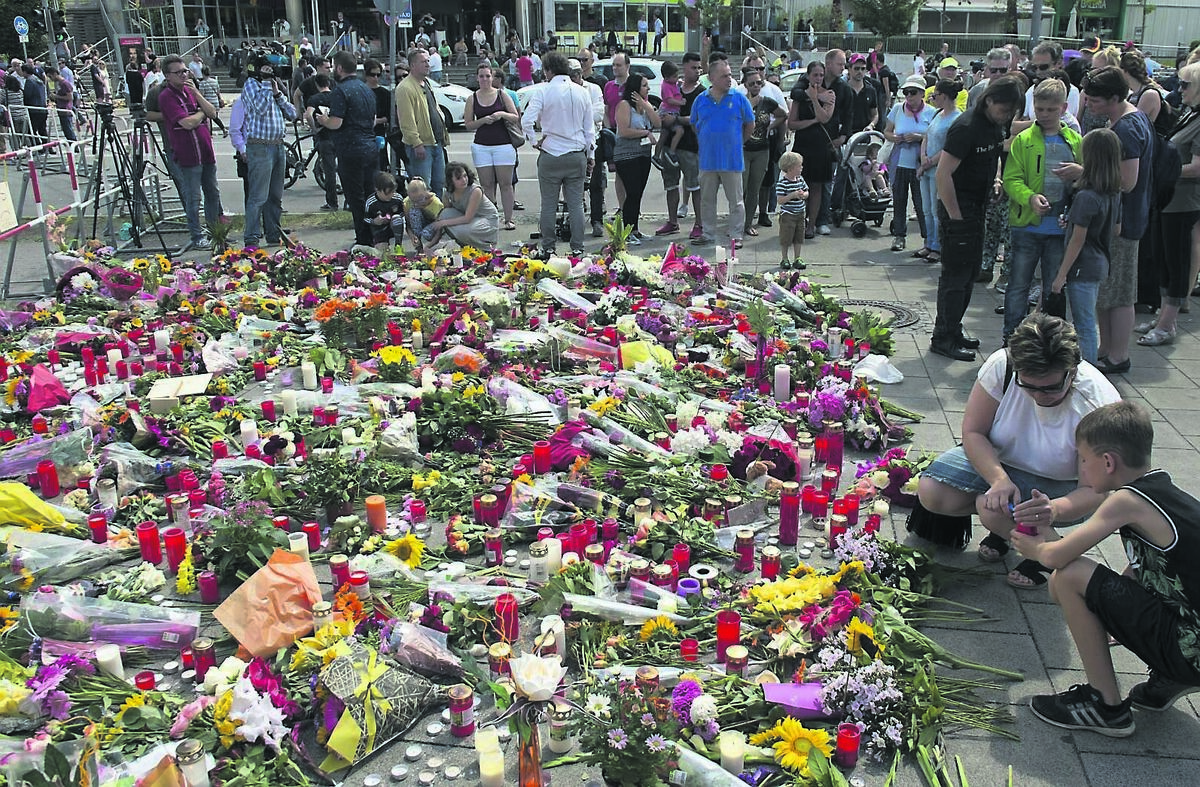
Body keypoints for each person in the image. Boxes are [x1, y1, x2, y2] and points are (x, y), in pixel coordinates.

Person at [1013, 400, 1200, 736]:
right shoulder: (1162, 490)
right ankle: (1170, 675)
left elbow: (1058, 559)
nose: (1081, 470)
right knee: (1095, 580)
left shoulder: (1125, 500)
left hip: (1190, 649)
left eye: (1083, 460)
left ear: (1108, 462)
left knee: (1068, 577)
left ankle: (1107, 707)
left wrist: (1034, 548)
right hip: (1193, 642)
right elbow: (1149, 569)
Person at [919, 312, 1120, 587]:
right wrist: (998, 479)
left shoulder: (1097, 405)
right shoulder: (1002, 366)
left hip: (1061, 486)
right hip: (1002, 461)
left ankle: (1049, 552)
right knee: (933, 492)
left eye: (1050, 388)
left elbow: (1095, 491)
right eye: (1028, 386)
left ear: (1072, 372)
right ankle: (1011, 530)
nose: (1038, 396)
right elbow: (973, 432)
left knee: (989, 507)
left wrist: (1054, 509)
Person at [929, 75, 1023, 361]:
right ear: (990, 100)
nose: (1006, 117)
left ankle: (953, 328)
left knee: (970, 275)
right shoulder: (966, 127)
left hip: (977, 206)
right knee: (955, 277)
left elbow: (994, 156)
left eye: (1011, 113)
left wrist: (995, 180)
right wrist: (956, 218)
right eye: (1003, 110)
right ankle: (942, 337)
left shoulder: (994, 125)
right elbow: (943, 174)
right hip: (958, 207)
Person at [1078, 66, 1154, 375]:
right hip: (1119, 219)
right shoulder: (1129, 119)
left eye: (1095, 100)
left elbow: (1127, 181)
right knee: (1108, 290)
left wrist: (1082, 174)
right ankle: (1107, 349)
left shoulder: (1126, 128)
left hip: (1123, 221)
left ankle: (1119, 354)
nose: (1089, 104)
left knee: (1120, 291)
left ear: (1112, 98)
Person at [1001, 78, 1083, 343]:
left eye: (1051, 109)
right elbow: (1012, 179)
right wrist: (1030, 197)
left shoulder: (1074, 140)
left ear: (1063, 108)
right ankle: (1010, 337)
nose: (1045, 114)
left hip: (1059, 229)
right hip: (1027, 225)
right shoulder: (1023, 140)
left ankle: (1049, 340)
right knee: (1018, 285)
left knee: (1054, 287)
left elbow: (1083, 184)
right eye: (1040, 109)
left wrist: (1080, 174)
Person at [1136, 65, 1200, 346]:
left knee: (1176, 262)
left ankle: (1167, 323)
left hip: (1184, 202)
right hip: (1169, 199)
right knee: (1163, 259)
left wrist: (1164, 170)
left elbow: (1197, 167)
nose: (1179, 88)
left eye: (1185, 84)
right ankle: (1164, 316)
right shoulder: (1190, 114)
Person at [1047, 127, 1122, 363]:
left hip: (1081, 266)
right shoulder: (1114, 192)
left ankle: (1088, 372)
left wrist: (1060, 276)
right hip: (1099, 261)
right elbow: (1117, 229)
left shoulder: (1085, 196)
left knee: (1084, 325)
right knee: (1087, 321)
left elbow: (1077, 240)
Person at [522, 51, 594, 256]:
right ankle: (577, 248)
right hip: (576, 154)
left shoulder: (543, 91)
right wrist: (591, 156)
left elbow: (526, 120)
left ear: (548, 70)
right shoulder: (582, 92)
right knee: (576, 205)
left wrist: (535, 141)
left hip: (551, 153)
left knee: (548, 205)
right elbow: (589, 129)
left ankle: (548, 247)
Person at [157, 54, 223, 250]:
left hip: (205, 151)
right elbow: (187, 123)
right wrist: (201, 114)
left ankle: (215, 233)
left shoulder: (191, 91)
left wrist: (198, 97)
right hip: (187, 155)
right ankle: (197, 236)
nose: (184, 75)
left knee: (213, 193)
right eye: (178, 73)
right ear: (167, 76)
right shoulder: (166, 96)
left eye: (185, 71)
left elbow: (213, 112)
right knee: (193, 198)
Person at [315, 50, 378, 249]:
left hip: (350, 150)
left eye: (334, 66)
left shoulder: (340, 91)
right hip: (370, 147)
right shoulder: (366, 88)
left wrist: (324, 120)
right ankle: (375, 235)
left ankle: (363, 239)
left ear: (340, 68)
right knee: (370, 195)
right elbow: (373, 119)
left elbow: (337, 122)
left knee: (355, 197)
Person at [692, 58, 754, 248]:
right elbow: (695, 124)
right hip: (708, 160)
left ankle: (736, 236)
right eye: (724, 75)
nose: (729, 79)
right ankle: (708, 233)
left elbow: (750, 124)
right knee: (707, 200)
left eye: (730, 75)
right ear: (711, 78)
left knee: (736, 201)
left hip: (732, 160)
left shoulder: (739, 98)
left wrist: (737, 143)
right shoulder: (700, 100)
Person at [239, 53, 298, 248]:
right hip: (259, 146)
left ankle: (274, 232)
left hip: (278, 145)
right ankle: (252, 237)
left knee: (275, 196)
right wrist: (265, 83)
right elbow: (261, 108)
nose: (271, 73)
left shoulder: (272, 86)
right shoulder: (251, 85)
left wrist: (278, 93)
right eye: (267, 69)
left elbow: (292, 113)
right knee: (258, 196)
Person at [465, 63, 520, 231]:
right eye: (481, 76)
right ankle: (491, 218)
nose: (484, 79)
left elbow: (515, 117)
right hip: (482, 146)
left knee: (505, 184)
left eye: (488, 76)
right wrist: (483, 120)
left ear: (493, 77)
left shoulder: (502, 95)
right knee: (487, 185)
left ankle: (509, 219)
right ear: (477, 78)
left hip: (503, 145)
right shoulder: (472, 98)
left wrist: (501, 114)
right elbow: (468, 124)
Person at [655, 52, 704, 239]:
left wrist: (676, 119)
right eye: (693, 67)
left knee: (694, 186)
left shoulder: (701, 93)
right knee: (671, 185)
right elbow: (663, 111)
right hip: (670, 145)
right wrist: (665, 119)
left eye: (699, 68)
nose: (697, 71)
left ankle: (699, 223)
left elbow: (698, 118)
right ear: (684, 67)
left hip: (691, 146)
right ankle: (672, 221)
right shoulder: (672, 86)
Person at [787, 61, 835, 240]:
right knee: (798, 185)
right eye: (815, 75)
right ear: (808, 76)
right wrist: (811, 120)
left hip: (821, 146)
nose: (818, 78)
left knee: (816, 187)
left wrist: (815, 98)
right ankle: (797, 223)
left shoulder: (829, 94)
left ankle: (811, 224)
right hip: (803, 145)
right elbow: (792, 123)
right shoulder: (799, 96)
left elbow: (824, 118)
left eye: (821, 75)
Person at [886, 74, 934, 252]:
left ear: (922, 93)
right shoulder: (898, 108)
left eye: (913, 92)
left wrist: (918, 138)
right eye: (906, 92)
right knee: (899, 200)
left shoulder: (930, 112)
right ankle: (899, 236)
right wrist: (896, 138)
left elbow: (933, 136)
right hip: (899, 162)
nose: (909, 96)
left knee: (921, 202)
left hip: (919, 164)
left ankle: (928, 239)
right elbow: (887, 131)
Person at [916, 79, 961, 263]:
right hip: (926, 167)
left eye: (935, 95)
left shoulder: (957, 118)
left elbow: (949, 148)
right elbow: (926, 136)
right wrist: (923, 157)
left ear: (944, 96)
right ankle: (928, 243)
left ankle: (938, 246)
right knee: (926, 209)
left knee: (936, 211)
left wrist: (929, 162)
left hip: (940, 169)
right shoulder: (937, 114)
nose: (933, 99)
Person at [613, 73, 661, 244]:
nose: (648, 89)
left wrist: (647, 106)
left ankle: (635, 229)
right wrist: (645, 133)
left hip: (643, 154)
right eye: (644, 86)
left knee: (638, 193)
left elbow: (658, 123)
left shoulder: (644, 105)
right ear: (635, 88)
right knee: (631, 192)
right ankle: (626, 231)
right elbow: (624, 131)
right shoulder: (624, 105)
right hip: (627, 155)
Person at [740, 68, 786, 238]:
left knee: (755, 189)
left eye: (758, 83)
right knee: (741, 189)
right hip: (744, 150)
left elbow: (783, 115)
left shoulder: (767, 102)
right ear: (745, 85)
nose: (755, 86)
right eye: (752, 83)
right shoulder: (740, 100)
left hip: (762, 151)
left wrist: (770, 127)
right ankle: (737, 223)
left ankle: (748, 224)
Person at [396, 49, 448, 198]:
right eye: (423, 61)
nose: (427, 64)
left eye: (428, 61)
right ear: (412, 65)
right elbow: (406, 120)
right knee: (423, 188)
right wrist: (416, 143)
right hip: (421, 145)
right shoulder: (405, 88)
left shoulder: (425, 83)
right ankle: (421, 219)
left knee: (439, 184)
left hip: (436, 142)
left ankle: (436, 217)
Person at [816, 49, 852, 235]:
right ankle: (804, 217)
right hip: (810, 137)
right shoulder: (815, 79)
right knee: (806, 181)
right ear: (828, 63)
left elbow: (848, 116)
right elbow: (797, 93)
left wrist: (843, 137)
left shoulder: (844, 88)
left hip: (831, 141)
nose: (843, 67)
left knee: (826, 183)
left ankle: (823, 218)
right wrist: (818, 96)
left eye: (844, 64)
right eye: (839, 63)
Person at [428, 161, 500, 249]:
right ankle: (457, 240)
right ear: (451, 180)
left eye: (465, 176)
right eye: (458, 178)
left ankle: (485, 244)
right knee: (444, 214)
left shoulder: (475, 190)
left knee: (462, 231)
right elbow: (447, 212)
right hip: (469, 219)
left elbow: (467, 218)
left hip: (486, 219)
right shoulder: (448, 192)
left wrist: (442, 223)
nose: (464, 180)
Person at [776, 151, 809, 270]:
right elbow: (780, 200)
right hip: (787, 215)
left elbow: (806, 191)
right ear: (790, 169)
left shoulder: (800, 179)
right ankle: (784, 258)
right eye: (799, 166)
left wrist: (803, 195)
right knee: (786, 238)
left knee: (799, 237)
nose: (801, 168)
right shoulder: (782, 183)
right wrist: (792, 195)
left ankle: (797, 258)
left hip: (800, 213)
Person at [652, 61, 686, 169]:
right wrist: (681, 102)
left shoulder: (672, 84)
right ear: (666, 78)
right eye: (674, 76)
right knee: (679, 131)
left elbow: (676, 90)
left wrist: (679, 84)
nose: (677, 78)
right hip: (668, 112)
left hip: (672, 111)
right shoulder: (666, 86)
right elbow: (669, 100)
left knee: (664, 135)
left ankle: (657, 156)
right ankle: (671, 152)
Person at [364, 171, 406, 253]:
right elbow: (366, 219)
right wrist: (374, 221)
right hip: (379, 229)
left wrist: (394, 218)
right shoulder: (371, 202)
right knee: (383, 253)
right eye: (387, 193)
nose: (391, 195)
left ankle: (398, 245)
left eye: (393, 192)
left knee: (397, 218)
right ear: (377, 190)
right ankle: (381, 243)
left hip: (393, 226)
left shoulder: (397, 198)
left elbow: (402, 213)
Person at [404, 177, 445, 251]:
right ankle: (419, 245)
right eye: (413, 201)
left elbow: (440, 228)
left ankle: (426, 245)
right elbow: (408, 225)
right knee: (414, 211)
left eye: (420, 199)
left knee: (425, 234)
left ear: (426, 193)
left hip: (433, 228)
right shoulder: (407, 202)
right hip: (418, 228)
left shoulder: (436, 203)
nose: (416, 203)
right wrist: (412, 235)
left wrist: (428, 246)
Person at [44, 68, 76, 142]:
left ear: (55, 74)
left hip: (65, 108)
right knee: (66, 129)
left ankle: (73, 144)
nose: (50, 79)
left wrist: (56, 96)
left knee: (68, 129)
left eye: (50, 76)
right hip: (61, 108)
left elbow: (70, 97)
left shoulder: (65, 83)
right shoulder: (60, 83)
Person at [196, 67, 227, 135]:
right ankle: (223, 129)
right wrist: (220, 99)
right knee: (215, 117)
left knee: (208, 119)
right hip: (215, 102)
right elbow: (218, 91)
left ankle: (209, 133)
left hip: (207, 102)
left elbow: (202, 94)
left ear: (202, 73)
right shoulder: (214, 81)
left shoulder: (202, 83)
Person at [22, 64, 48, 145]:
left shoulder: (29, 81)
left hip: (34, 108)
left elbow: (27, 95)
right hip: (42, 107)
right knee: (42, 129)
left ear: (25, 72)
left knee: (31, 130)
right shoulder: (39, 80)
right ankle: (48, 146)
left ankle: (38, 147)